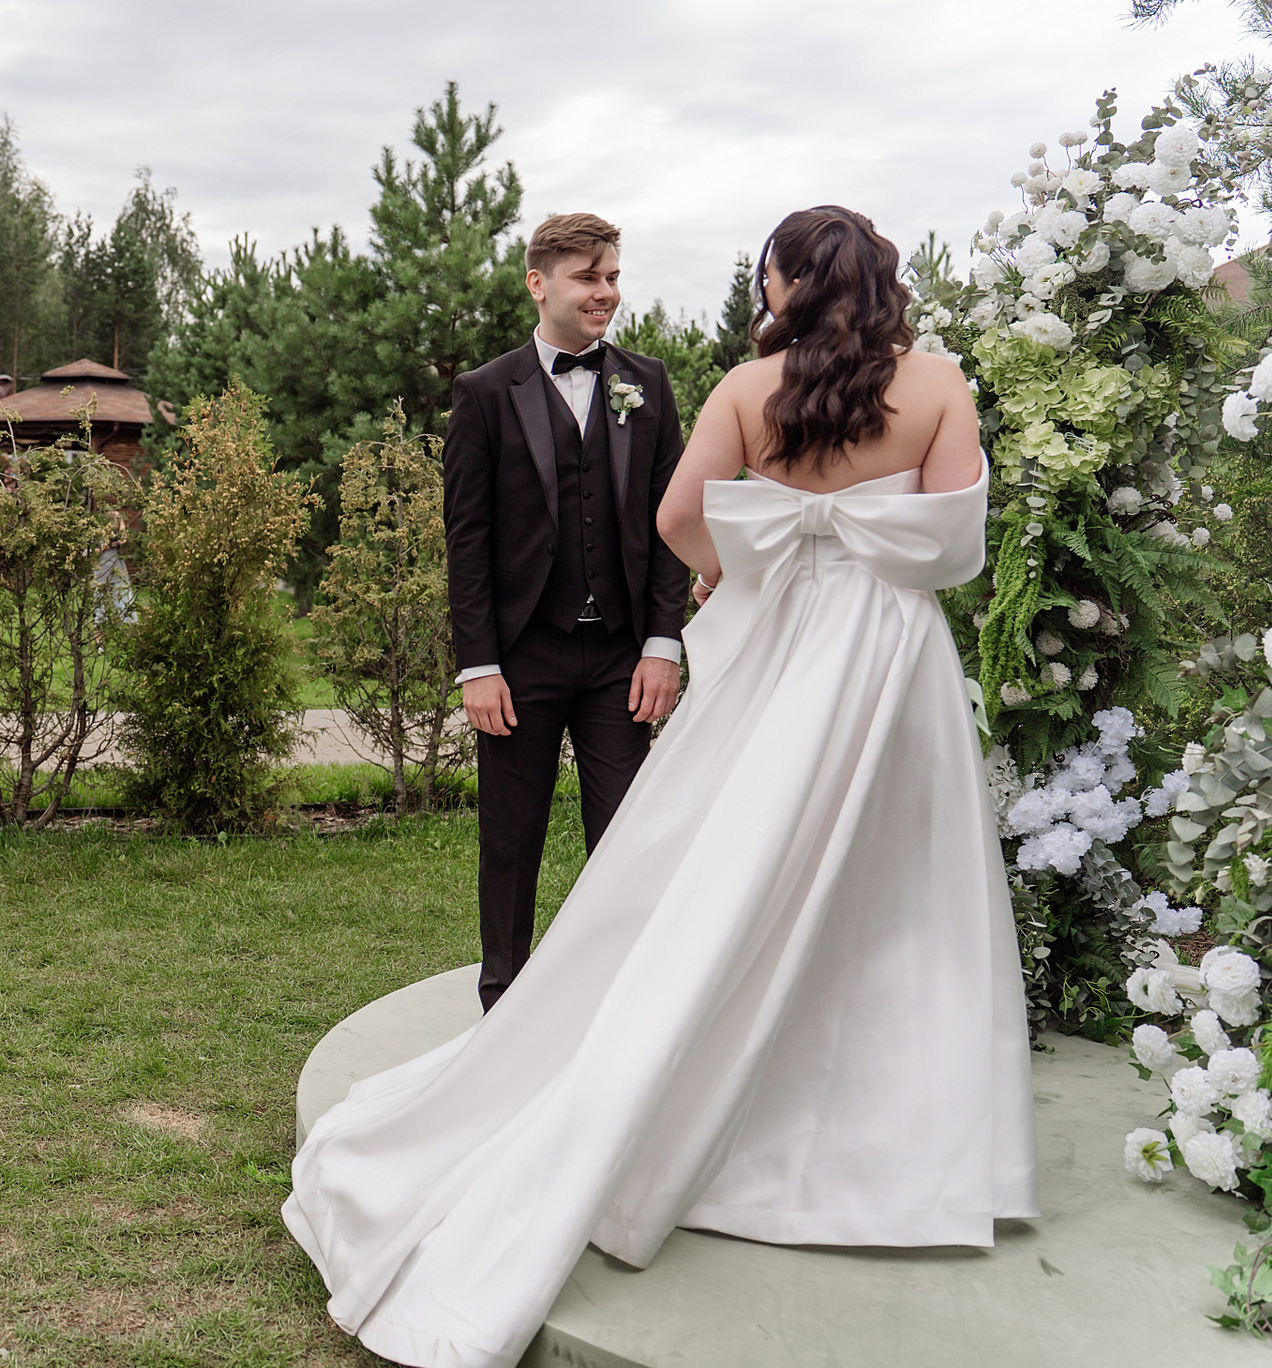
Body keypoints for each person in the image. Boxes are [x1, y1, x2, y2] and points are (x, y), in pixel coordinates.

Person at [283, 206, 1038, 1368]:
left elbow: (679, 519)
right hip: (895, 661)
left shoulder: (746, 387)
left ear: (785, 285)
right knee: (904, 879)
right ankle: (908, 1149)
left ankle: (689, 1080)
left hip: (785, 654)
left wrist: (757, 570)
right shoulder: (938, 385)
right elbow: (954, 549)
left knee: (730, 861)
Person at [441, 212, 691, 1013]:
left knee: (626, 839)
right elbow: (468, 541)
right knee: (511, 840)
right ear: (538, 283)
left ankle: (619, 1008)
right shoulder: (485, 393)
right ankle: (503, 1007)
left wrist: (663, 644)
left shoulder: (648, 384)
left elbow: (669, 525)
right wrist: (479, 666)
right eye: (588, 278)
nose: (604, 293)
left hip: (622, 658)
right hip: (521, 660)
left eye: (612, 277)